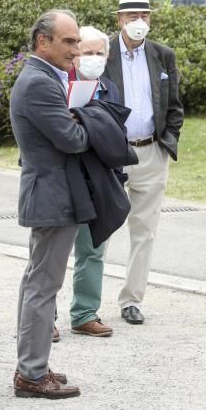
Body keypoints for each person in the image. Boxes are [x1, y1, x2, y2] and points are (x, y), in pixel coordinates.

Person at [11, 10, 87, 399]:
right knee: (43, 286)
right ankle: (31, 374)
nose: (76, 50)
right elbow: (71, 139)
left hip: (49, 193)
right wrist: (88, 120)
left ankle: (33, 366)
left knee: (36, 283)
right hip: (53, 195)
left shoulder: (39, 77)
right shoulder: (39, 82)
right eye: (69, 42)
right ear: (44, 42)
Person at [105, 0, 184, 325]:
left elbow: (174, 104)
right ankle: (85, 301)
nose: (139, 22)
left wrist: (168, 140)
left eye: (145, 16)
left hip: (151, 151)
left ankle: (131, 300)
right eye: (132, 16)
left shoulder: (162, 55)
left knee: (145, 230)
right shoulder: (102, 51)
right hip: (111, 153)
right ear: (120, 18)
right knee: (99, 229)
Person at [65, 25, 121, 337]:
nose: (94, 58)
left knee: (93, 248)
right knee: (54, 252)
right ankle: (43, 319)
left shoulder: (108, 89)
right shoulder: (59, 86)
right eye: (88, 53)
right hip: (64, 178)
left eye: (100, 53)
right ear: (74, 56)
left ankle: (85, 313)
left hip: (98, 179)